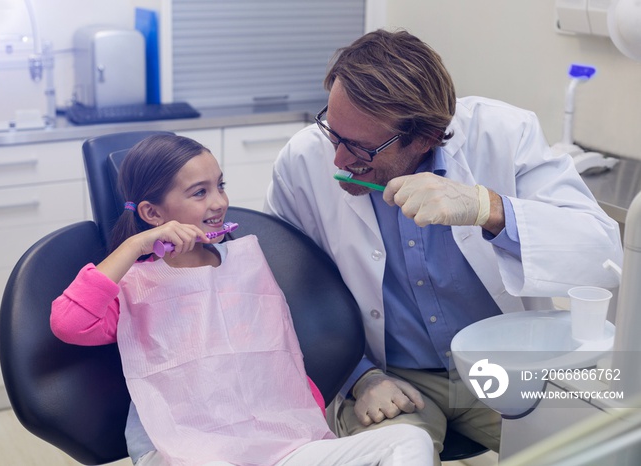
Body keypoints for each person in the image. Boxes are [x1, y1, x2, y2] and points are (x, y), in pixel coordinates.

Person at [264, 29, 623, 464]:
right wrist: (359, 379)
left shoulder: (505, 135)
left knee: (598, 450)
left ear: (425, 136)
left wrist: (488, 208)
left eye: (359, 146)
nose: (338, 160)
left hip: (504, 365)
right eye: (331, 131)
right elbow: (286, 293)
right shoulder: (302, 162)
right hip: (389, 378)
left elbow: (601, 254)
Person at [50, 133, 433, 466]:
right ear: (152, 213)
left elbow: (274, 361)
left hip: (279, 442)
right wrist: (135, 246)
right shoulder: (133, 285)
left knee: (410, 439)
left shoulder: (246, 263)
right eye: (200, 192)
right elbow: (69, 323)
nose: (219, 202)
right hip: (185, 449)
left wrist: (306, 422)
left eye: (220, 185)